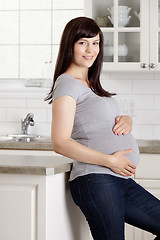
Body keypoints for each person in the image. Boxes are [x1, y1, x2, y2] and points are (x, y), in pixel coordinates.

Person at [45, 16, 160, 240]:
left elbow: (98, 121)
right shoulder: (67, 83)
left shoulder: (90, 84)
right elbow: (60, 142)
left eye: (96, 42)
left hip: (120, 180)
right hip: (96, 179)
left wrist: (127, 119)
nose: (91, 49)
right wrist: (111, 161)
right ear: (70, 44)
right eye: (83, 42)